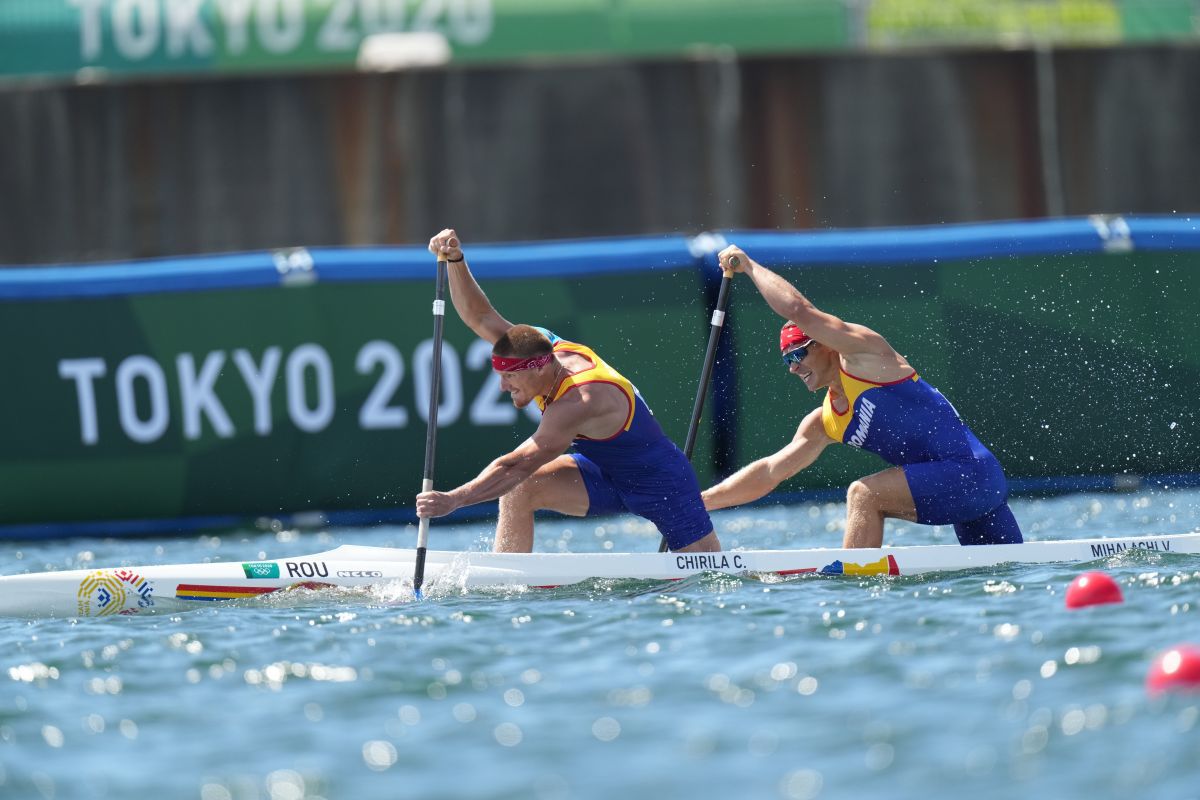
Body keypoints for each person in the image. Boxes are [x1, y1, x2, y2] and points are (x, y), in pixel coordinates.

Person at [414, 228, 721, 554]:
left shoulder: (578, 400)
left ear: (538, 368)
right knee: (520, 490)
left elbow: (516, 465)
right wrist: (456, 261)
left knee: (707, 577)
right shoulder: (540, 345)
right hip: (602, 474)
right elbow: (481, 317)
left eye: (509, 378)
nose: (502, 386)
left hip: (661, 483)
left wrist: (454, 500)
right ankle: (507, 581)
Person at [701, 244, 1023, 548]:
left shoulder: (866, 358)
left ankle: (850, 592)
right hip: (961, 490)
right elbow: (770, 472)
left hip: (972, 472)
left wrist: (749, 266)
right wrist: (701, 502)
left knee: (864, 494)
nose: (793, 369)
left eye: (797, 355)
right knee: (1004, 581)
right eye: (787, 361)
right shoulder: (825, 422)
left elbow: (799, 310)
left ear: (824, 343)